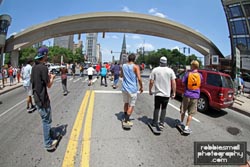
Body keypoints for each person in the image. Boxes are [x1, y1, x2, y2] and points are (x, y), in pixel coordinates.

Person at [31, 47, 58, 150]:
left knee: (47, 119)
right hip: (43, 99)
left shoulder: (34, 67)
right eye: (46, 55)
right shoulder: (43, 68)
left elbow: (33, 82)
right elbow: (49, 85)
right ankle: (48, 143)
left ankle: (50, 134)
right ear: (44, 56)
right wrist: (52, 78)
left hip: (37, 97)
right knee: (46, 121)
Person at [149, 57, 176, 130]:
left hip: (158, 94)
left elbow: (151, 81)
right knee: (164, 108)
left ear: (159, 62)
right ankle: (161, 123)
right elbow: (173, 82)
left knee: (156, 108)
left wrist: (150, 90)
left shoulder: (155, 70)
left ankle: (154, 122)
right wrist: (174, 92)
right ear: (166, 62)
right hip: (166, 94)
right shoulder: (170, 71)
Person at [180, 60, 203, 133]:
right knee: (191, 113)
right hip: (195, 96)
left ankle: (181, 122)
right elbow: (200, 83)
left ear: (193, 66)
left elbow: (182, 82)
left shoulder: (188, 74)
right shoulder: (200, 75)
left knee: (183, 109)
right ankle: (186, 127)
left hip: (187, 94)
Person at [121, 53, 143, 126]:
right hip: (132, 89)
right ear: (134, 59)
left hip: (124, 88)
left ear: (128, 59)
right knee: (131, 105)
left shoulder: (123, 66)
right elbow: (139, 78)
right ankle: (126, 120)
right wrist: (141, 87)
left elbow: (121, 75)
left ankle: (125, 116)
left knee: (126, 103)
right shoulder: (136, 67)